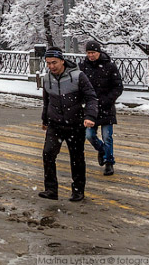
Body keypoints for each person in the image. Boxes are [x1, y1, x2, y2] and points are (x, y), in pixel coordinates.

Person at [40, 47, 98, 202]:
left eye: (54, 62)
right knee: (48, 154)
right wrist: (45, 119)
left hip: (75, 124)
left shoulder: (78, 76)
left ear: (62, 61)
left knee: (76, 158)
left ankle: (78, 191)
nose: (51, 66)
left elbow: (91, 97)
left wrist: (90, 116)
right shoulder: (47, 78)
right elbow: (47, 101)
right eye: (48, 63)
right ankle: (51, 189)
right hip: (55, 125)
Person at [79, 42, 124, 176]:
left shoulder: (109, 66)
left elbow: (118, 87)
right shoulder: (82, 67)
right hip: (90, 109)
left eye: (93, 53)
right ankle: (102, 151)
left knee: (107, 136)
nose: (91, 55)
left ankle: (109, 162)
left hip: (106, 108)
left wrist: (107, 100)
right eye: (88, 53)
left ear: (99, 52)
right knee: (89, 135)